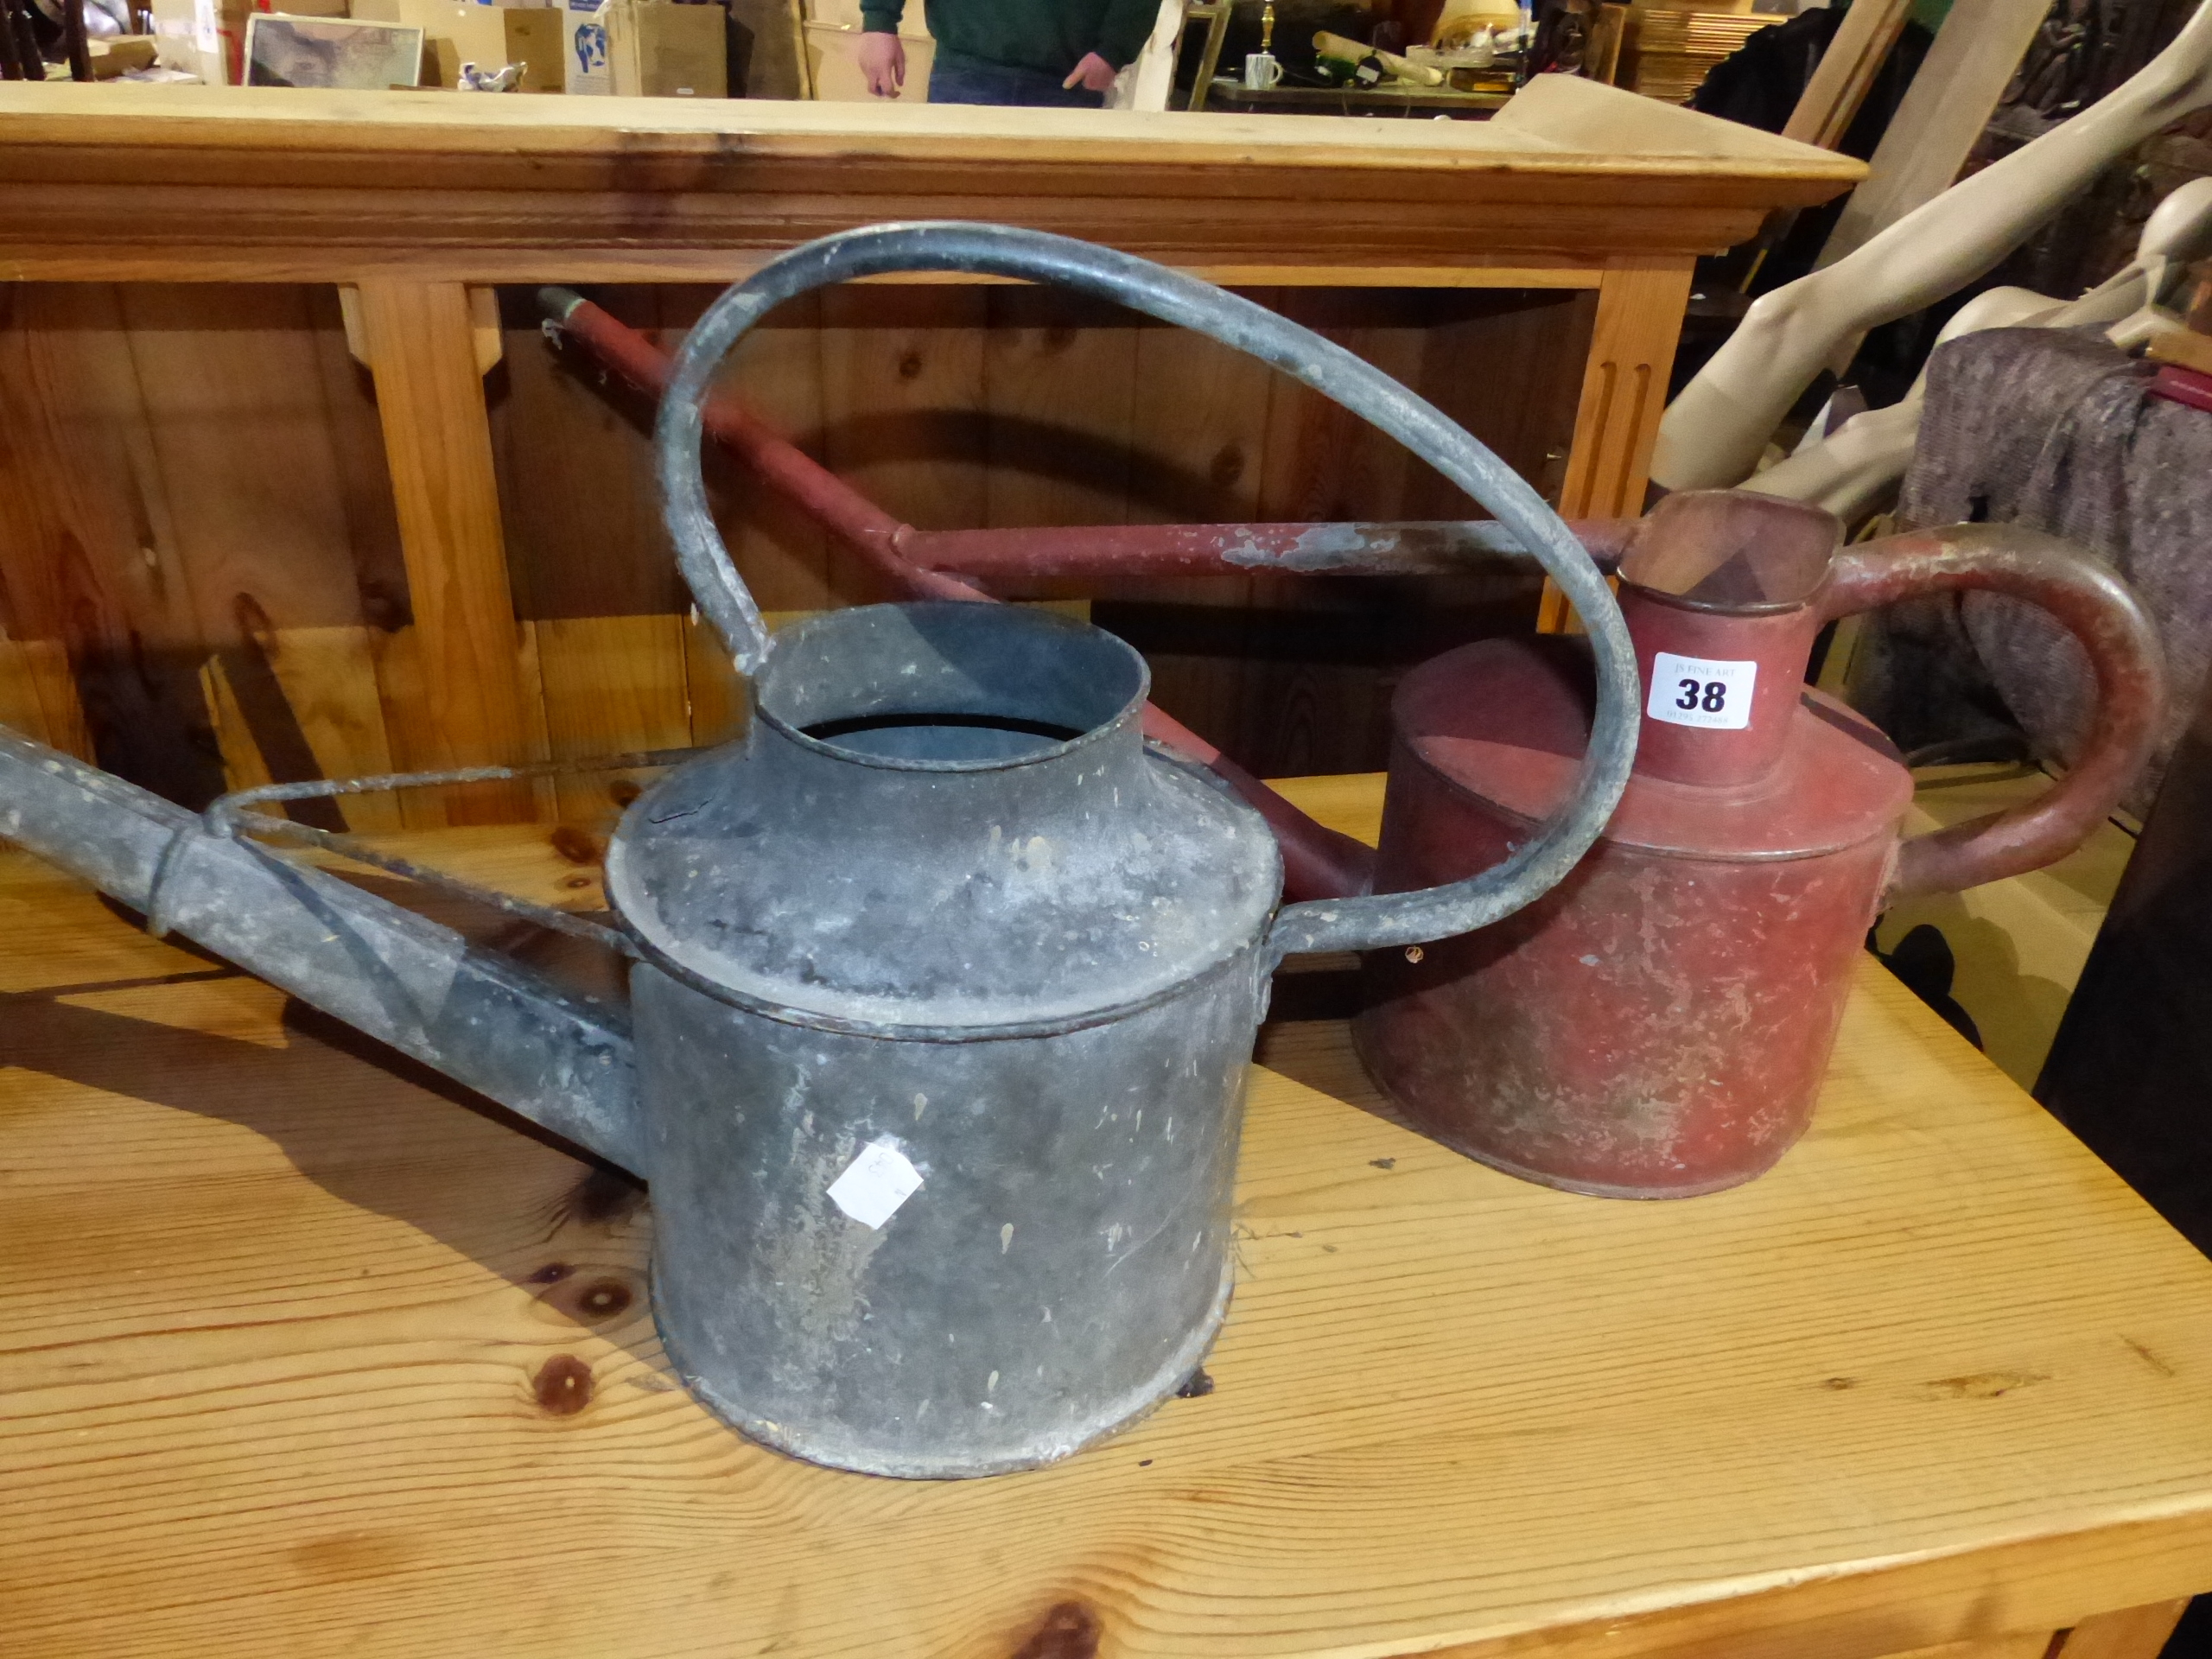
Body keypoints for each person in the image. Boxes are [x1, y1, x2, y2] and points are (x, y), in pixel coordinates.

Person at [855, 0, 1159, 106]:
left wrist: (1113, 50)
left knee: (1047, 228)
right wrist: (879, 21)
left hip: (1069, 80)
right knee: (958, 219)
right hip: (965, 66)